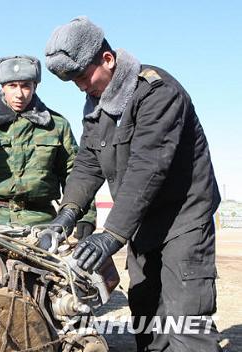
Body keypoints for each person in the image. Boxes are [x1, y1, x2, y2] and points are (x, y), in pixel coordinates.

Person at [43, 16, 221, 351]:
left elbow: (148, 168)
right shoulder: (98, 104)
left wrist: (110, 236)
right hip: (141, 227)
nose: (81, 87)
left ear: (107, 60)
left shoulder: (158, 92)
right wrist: (66, 215)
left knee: (186, 325)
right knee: (148, 322)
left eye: (82, 76)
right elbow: (87, 163)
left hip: (182, 224)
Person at [0, 55, 96, 236]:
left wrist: (85, 217)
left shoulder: (56, 125)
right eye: (12, 86)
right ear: (2, 87)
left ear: (35, 87)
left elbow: (76, 174)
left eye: (25, 86)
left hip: (42, 225)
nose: (19, 94)